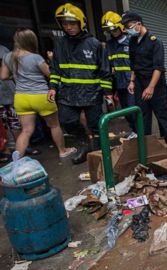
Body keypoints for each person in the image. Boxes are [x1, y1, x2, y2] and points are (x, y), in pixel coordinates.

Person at [49, 3, 112, 164]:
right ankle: (84, 143)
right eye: (65, 24)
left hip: (91, 93)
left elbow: (104, 71)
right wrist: (52, 88)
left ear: (80, 23)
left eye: (72, 23)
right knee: (67, 121)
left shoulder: (94, 44)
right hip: (68, 93)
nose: (68, 27)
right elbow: (55, 69)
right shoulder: (60, 44)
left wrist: (107, 93)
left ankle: (99, 152)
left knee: (96, 124)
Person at [1, 29, 76, 160]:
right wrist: (51, 60)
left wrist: (18, 76)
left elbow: (3, 76)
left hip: (21, 97)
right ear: (31, 41)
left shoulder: (8, 56)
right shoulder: (35, 57)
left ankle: (16, 161)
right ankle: (62, 150)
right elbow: (50, 74)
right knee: (54, 125)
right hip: (41, 95)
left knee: (26, 131)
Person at [122, 11, 167, 147]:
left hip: (156, 83)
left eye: (129, 26)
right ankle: (146, 145)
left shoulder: (155, 42)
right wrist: (132, 81)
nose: (128, 30)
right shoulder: (132, 41)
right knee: (143, 115)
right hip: (139, 82)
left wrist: (151, 87)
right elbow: (133, 64)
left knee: (161, 114)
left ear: (138, 24)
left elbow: (158, 67)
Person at [102, 11, 135, 131]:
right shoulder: (109, 45)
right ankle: (134, 131)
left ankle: (140, 132)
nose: (112, 33)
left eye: (114, 30)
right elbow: (109, 66)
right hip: (119, 84)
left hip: (132, 83)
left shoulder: (132, 41)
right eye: (110, 31)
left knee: (133, 109)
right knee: (126, 110)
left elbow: (136, 64)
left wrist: (133, 80)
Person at [0, 44, 19, 163]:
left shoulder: (3, 50)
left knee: (15, 123)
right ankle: (6, 149)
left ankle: (20, 148)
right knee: (3, 126)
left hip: (10, 94)